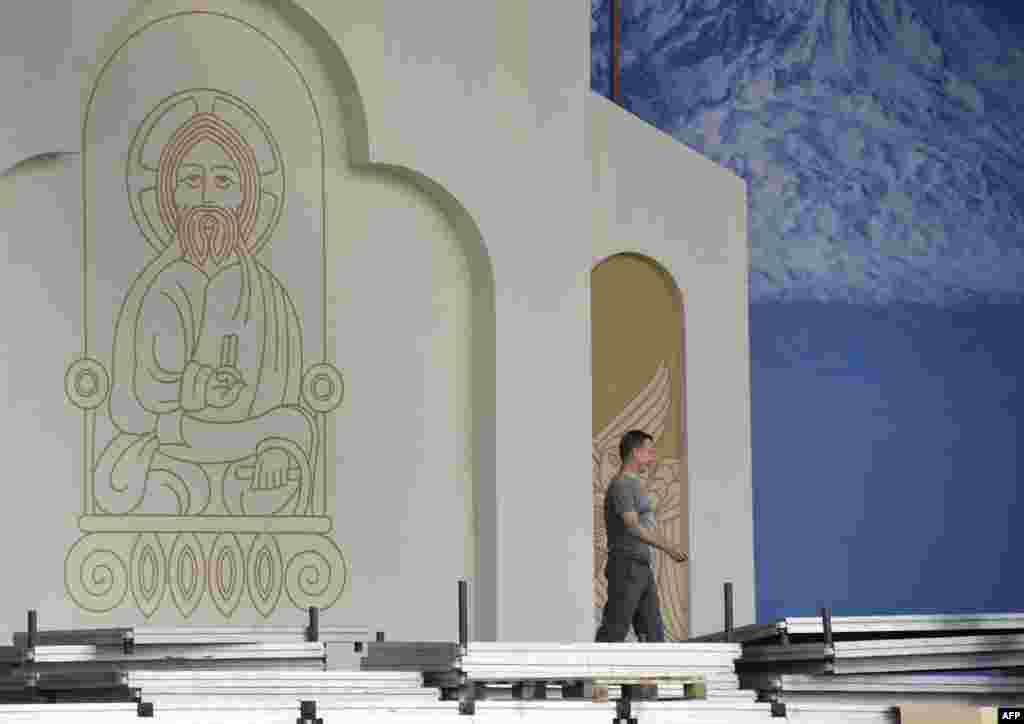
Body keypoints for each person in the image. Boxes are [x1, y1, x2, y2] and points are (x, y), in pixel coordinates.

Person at [97, 109, 315, 517]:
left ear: (246, 196)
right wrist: (201, 387)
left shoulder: (269, 293)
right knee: (166, 481)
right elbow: (138, 396)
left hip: (247, 438)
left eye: (223, 182)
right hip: (178, 436)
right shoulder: (161, 285)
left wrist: (276, 446)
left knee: (294, 430)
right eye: (192, 181)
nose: (206, 197)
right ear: (170, 195)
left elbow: (287, 394)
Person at [595, 430, 687, 643]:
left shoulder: (634, 484)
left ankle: (656, 673)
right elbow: (633, 527)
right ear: (636, 452)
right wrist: (669, 548)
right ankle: (594, 672)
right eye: (650, 451)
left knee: (653, 633)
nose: (653, 457)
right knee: (615, 628)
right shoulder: (621, 485)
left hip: (641, 565)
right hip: (626, 564)